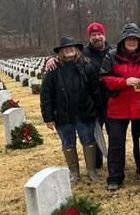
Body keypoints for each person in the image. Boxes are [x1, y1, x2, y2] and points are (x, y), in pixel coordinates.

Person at [99, 23, 140, 191]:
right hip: (117, 108)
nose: (131, 42)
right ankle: (115, 177)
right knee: (116, 144)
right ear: (123, 40)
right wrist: (124, 82)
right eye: (128, 39)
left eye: (134, 39)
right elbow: (104, 79)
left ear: (139, 41)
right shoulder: (111, 56)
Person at [44, 22, 112, 169]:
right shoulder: (84, 54)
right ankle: (96, 165)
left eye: (99, 34)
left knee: (110, 135)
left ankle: (112, 162)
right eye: (93, 35)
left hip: (111, 100)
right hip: (92, 104)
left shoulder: (113, 51)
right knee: (92, 135)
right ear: (89, 37)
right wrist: (50, 58)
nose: (97, 37)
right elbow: (47, 93)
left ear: (104, 35)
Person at [40, 36, 101, 183]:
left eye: (72, 47)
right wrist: (48, 117)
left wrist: (97, 110)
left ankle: (91, 171)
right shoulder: (53, 70)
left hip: (84, 113)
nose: (69, 49)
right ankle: (74, 173)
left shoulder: (87, 66)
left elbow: (96, 91)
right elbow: (45, 94)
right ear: (60, 51)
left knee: (88, 141)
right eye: (65, 48)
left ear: (77, 49)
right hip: (63, 115)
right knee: (68, 143)